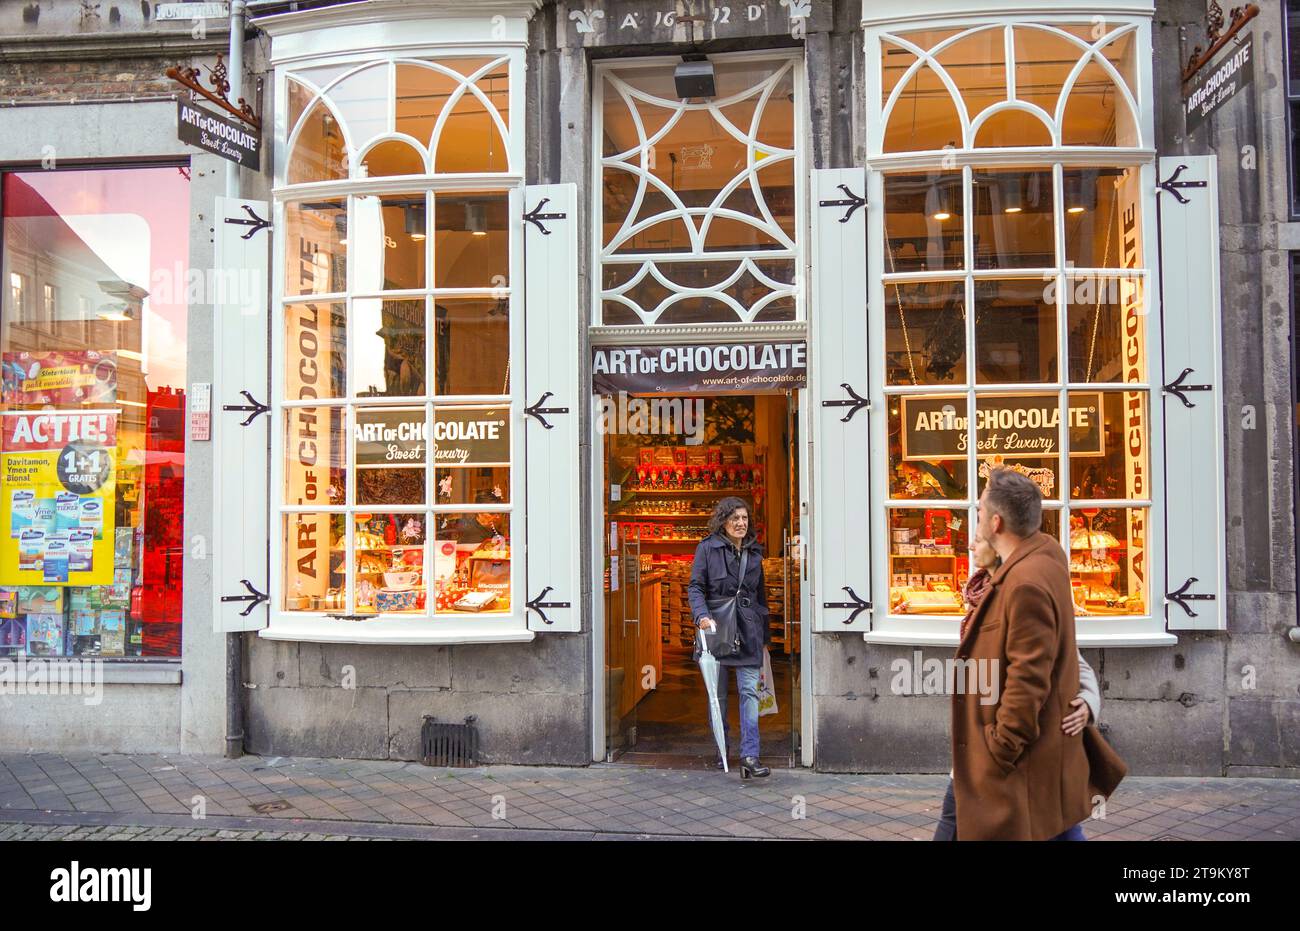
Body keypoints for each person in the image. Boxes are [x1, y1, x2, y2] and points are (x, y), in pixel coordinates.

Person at [933, 512, 1101, 841]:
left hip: (1013, 748)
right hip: (988, 749)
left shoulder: (1022, 590)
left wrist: (1088, 701)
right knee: (1055, 826)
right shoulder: (981, 596)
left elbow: (1068, 657)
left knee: (1053, 825)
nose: (969, 545)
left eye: (978, 539)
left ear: (999, 547)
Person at [688, 496, 771, 779]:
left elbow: (761, 597)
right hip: (716, 631)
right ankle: (722, 748)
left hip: (749, 631)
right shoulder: (707, 549)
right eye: (735, 518)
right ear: (723, 521)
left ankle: (750, 755)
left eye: (744, 518)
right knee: (718, 697)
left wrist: (765, 638)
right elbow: (696, 587)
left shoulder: (755, 552)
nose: (740, 523)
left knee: (749, 693)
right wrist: (701, 617)